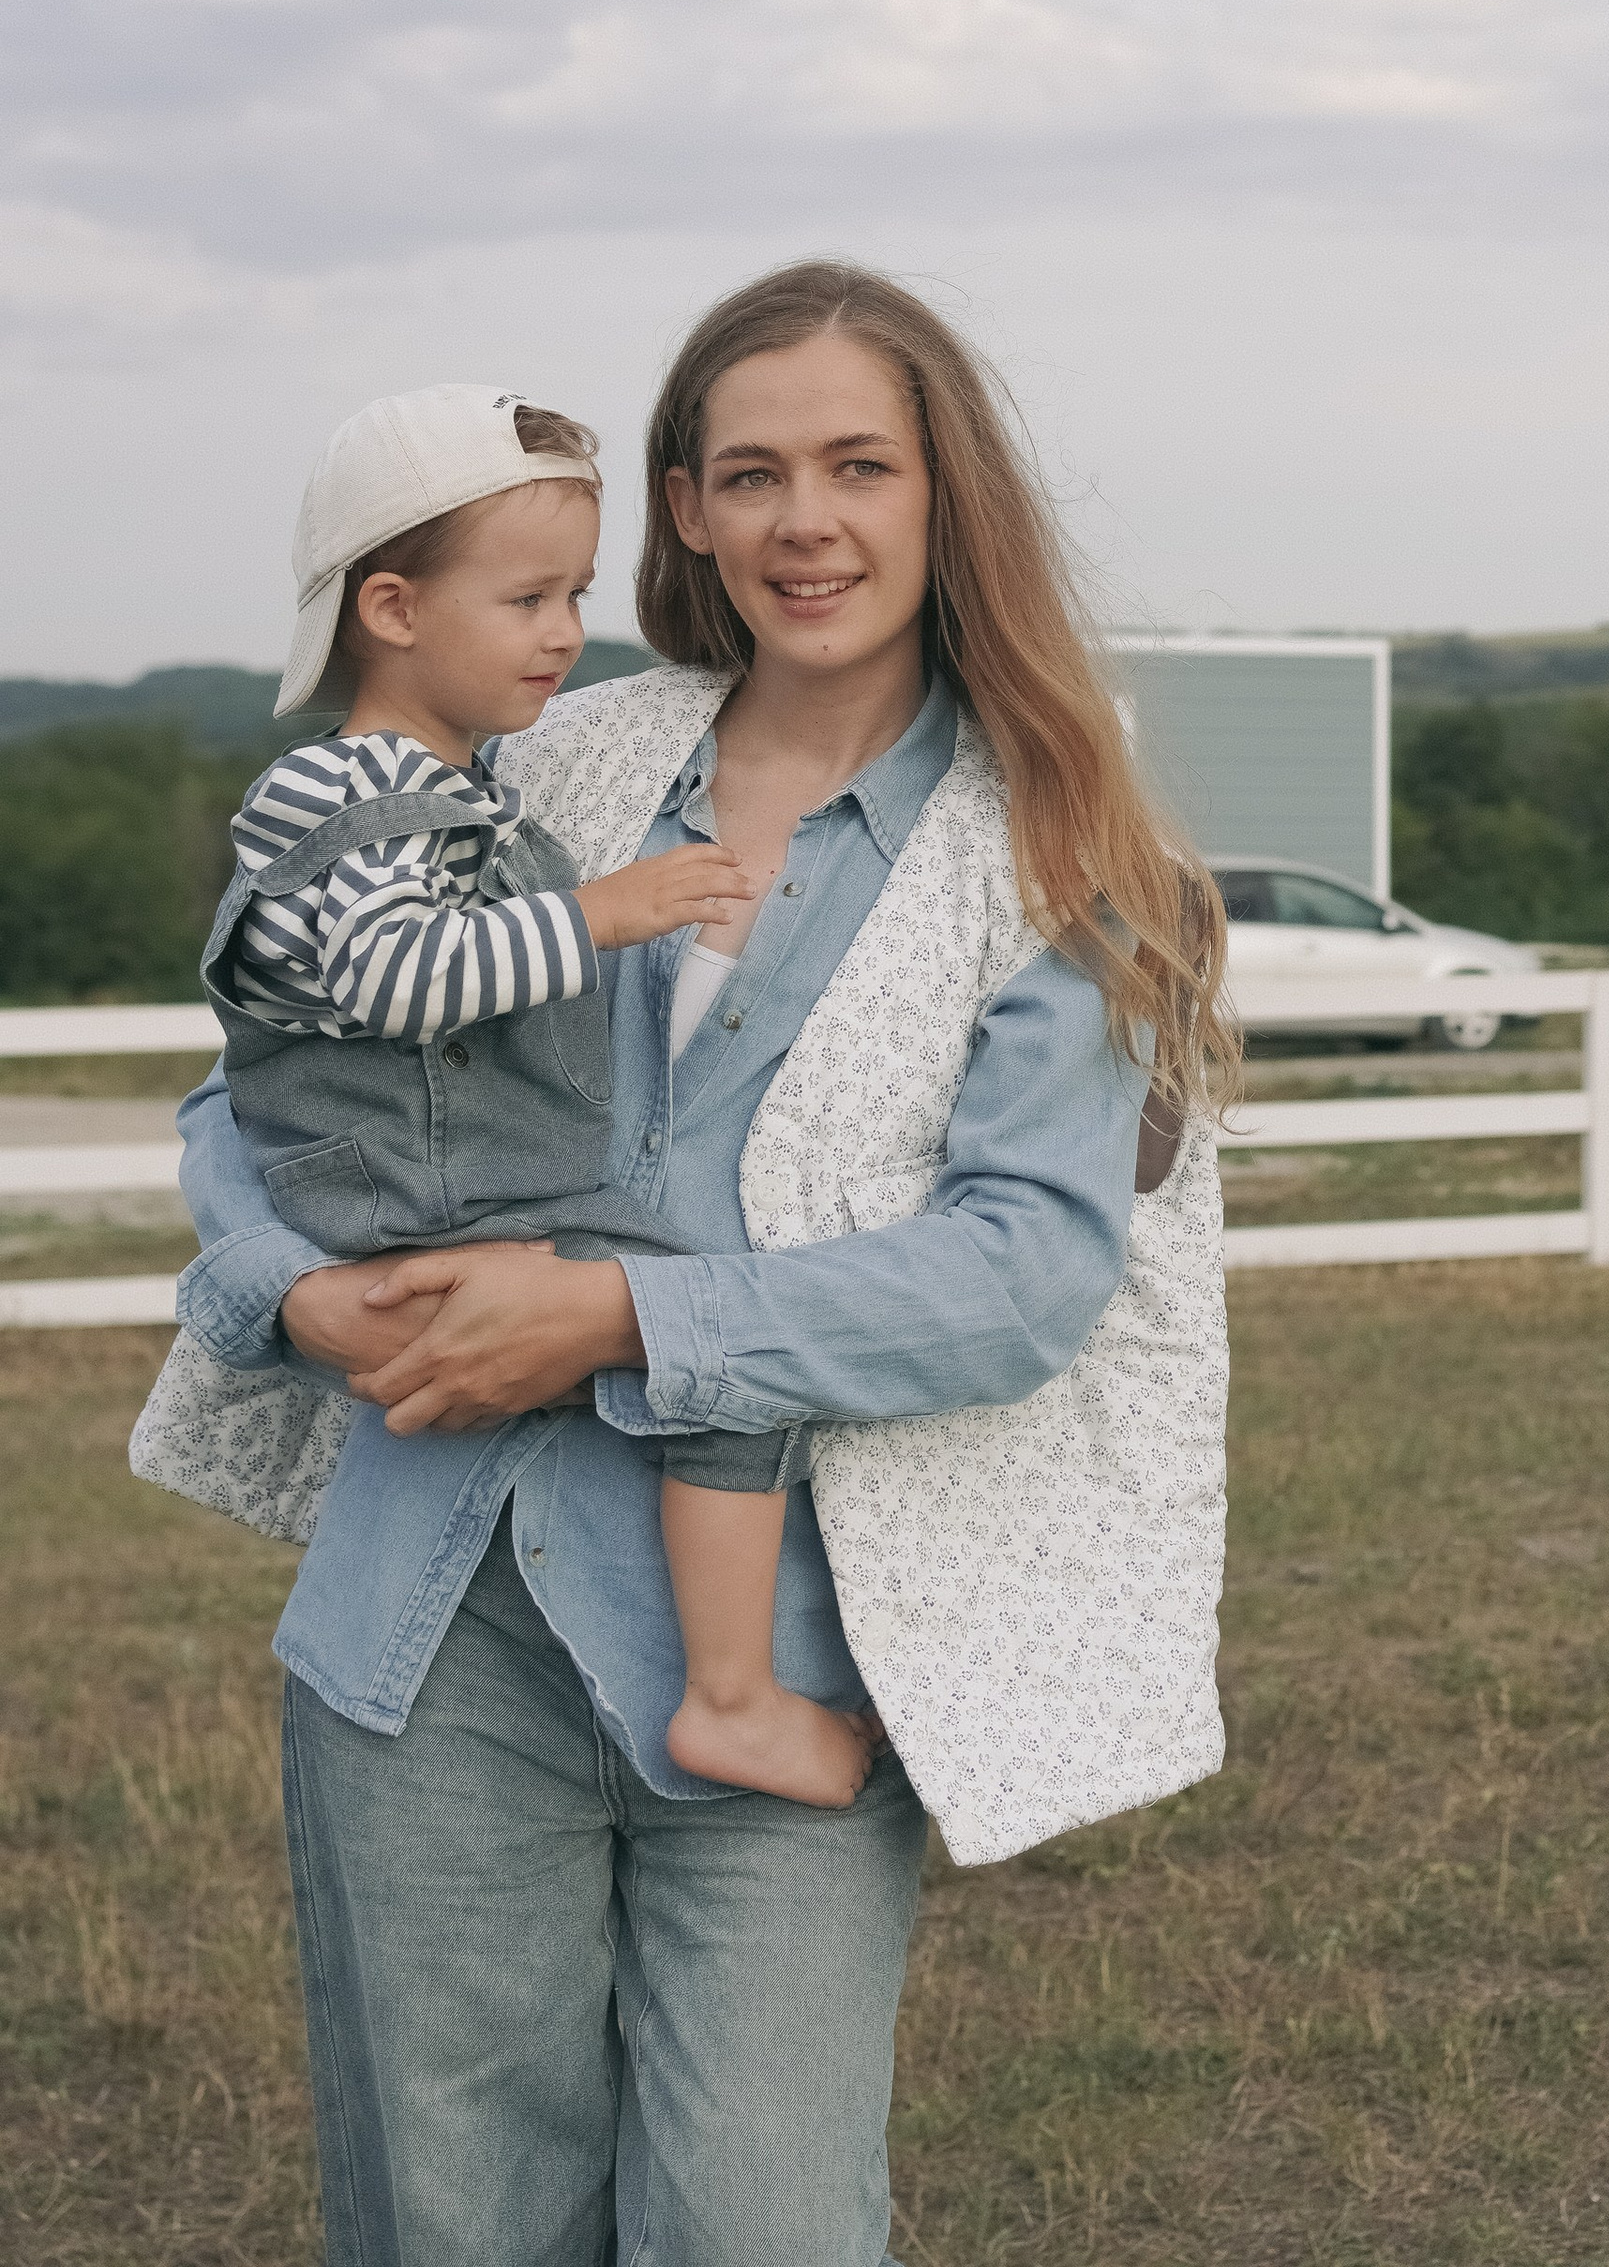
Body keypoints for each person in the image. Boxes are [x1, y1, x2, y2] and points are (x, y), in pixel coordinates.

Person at [134, 263, 1234, 2267]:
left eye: (856, 464)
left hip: (789, 1644)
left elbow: (1017, 1274)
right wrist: (284, 1290)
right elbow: (263, 1093)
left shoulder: (1058, 847)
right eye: (752, 473)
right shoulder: (533, 754)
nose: (804, 517)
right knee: (450, 2226)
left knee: (760, 2228)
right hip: (433, 1628)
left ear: (942, 495)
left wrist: (620, 1314)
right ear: (688, 509)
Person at [203, 378, 876, 1807]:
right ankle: (732, 1692)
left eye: (574, 593)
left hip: (442, 1163)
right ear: (391, 609)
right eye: (527, 600)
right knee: (715, 1338)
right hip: (410, 1174)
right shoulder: (331, 794)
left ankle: (714, 1682)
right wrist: (602, 914)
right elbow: (390, 978)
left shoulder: (460, 779)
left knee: (692, 1323)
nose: (567, 633)